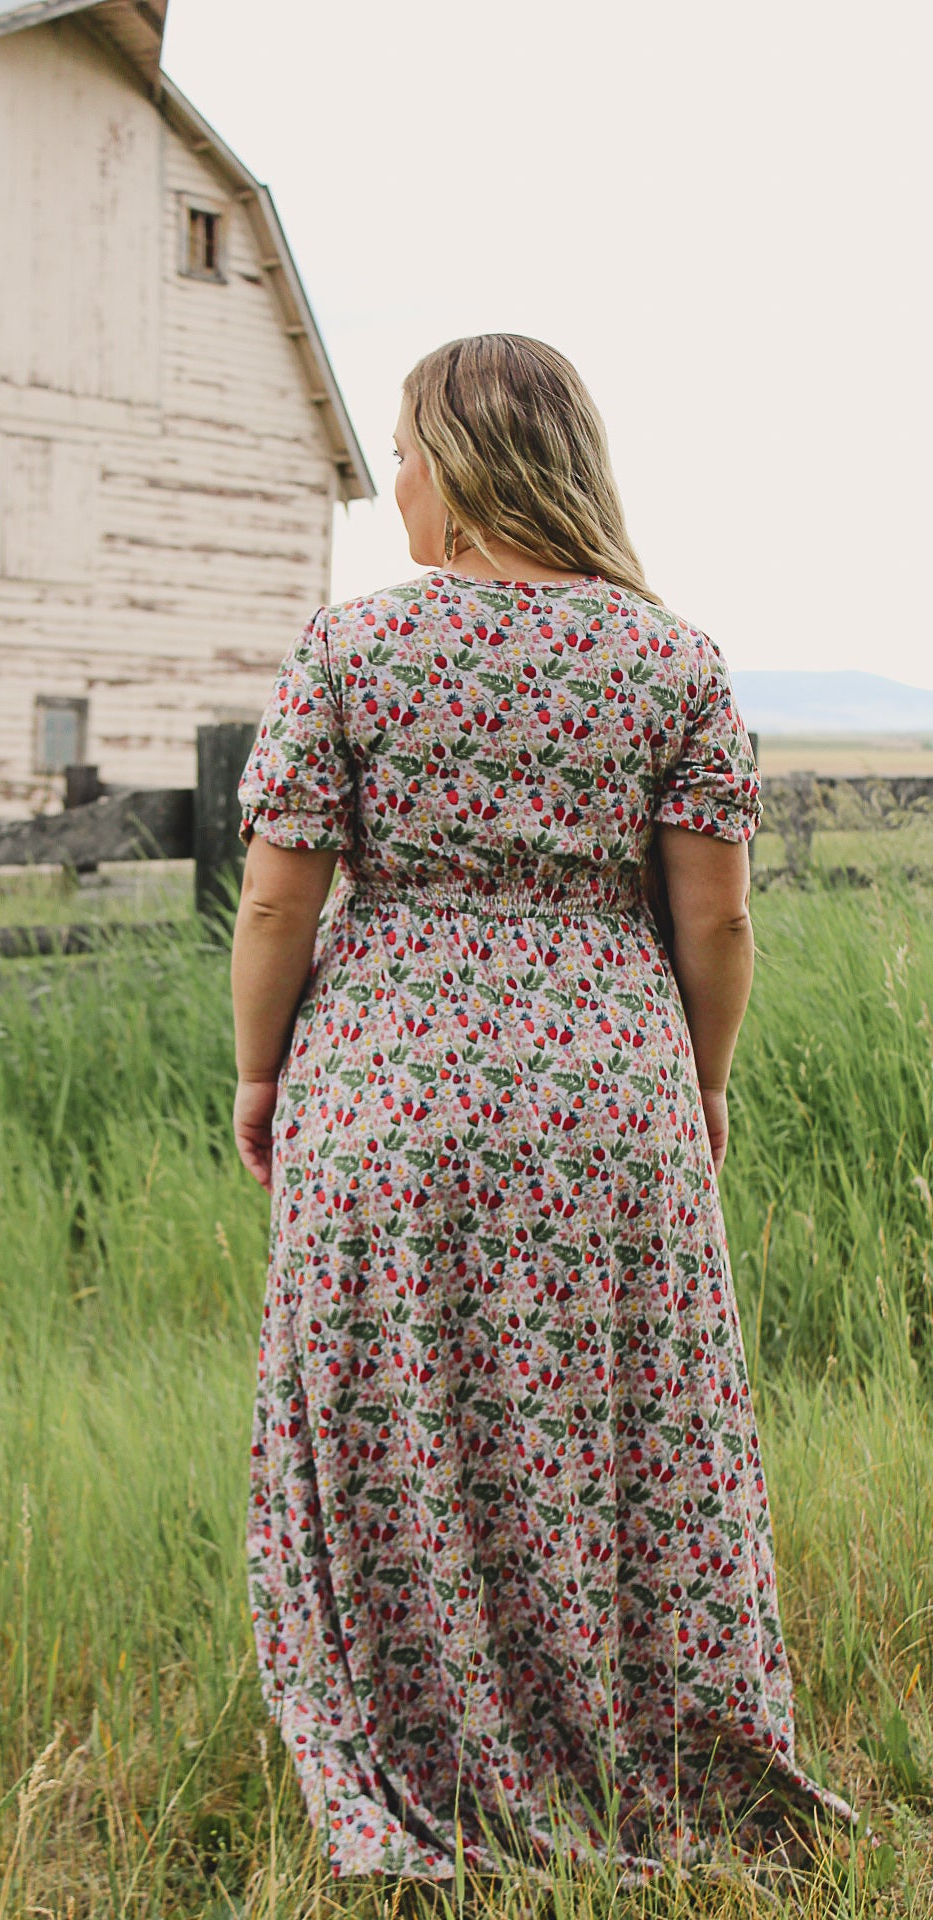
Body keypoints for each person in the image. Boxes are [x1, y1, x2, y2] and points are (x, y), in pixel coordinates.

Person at [228, 333, 856, 1885]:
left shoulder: (353, 651)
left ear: (461, 464)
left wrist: (259, 1073)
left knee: (401, 1432)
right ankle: (654, 1753)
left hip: (389, 1098)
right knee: (628, 1435)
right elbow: (714, 925)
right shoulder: (676, 661)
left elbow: (272, 909)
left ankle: (425, 1763)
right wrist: (695, 1091)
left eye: (406, 449)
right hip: (613, 1100)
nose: (393, 479)